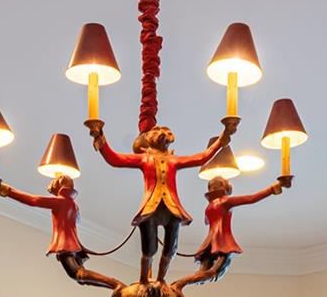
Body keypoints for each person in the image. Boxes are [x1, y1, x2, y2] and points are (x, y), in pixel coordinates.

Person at [87, 117, 236, 284]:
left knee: (171, 249)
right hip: (150, 208)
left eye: (166, 131)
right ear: (148, 138)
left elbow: (202, 157)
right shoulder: (144, 159)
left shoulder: (174, 160)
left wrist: (223, 138)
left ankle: (161, 280)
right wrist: (99, 136)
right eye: (157, 131)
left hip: (172, 209)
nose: (163, 133)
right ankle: (144, 280)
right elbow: (114, 159)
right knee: (149, 249)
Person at [0, 173, 122, 293]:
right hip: (74, 246)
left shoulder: (60, 202)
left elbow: (33, 200)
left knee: (78, 274)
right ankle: (114, 285)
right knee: (80, 277)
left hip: (65, 246)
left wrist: (5, 189)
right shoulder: (73, 205)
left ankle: (114, 284)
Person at [170, 172, 289, 297]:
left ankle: (179, 284)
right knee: (210, 273)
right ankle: (179, 284)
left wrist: (274, 188)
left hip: (213, 242)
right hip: (220, 242)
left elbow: (208, 221)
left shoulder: (213, 205)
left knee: (206, 273)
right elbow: (251, 199)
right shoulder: (222, 202)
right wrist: (274, 187)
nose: (214, 187)